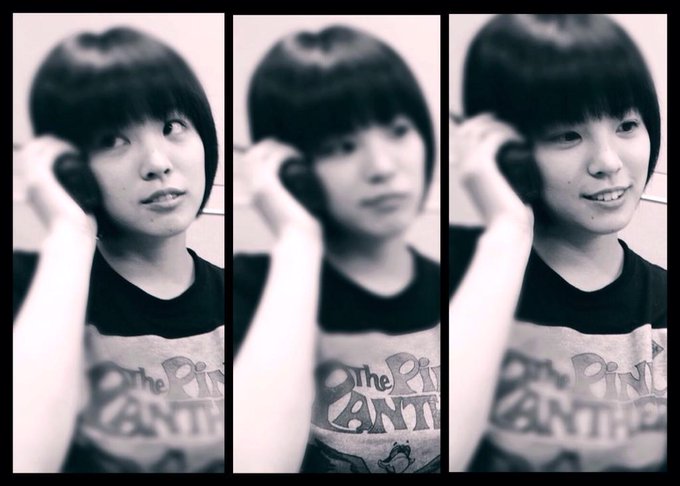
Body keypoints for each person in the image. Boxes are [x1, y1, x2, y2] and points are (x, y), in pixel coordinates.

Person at [448, 14, 666, 472]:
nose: (608, 162)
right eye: (568, 134)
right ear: (511, 153)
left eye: (627, 125)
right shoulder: (463, 280)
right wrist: (509, 231)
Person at [13, 27, 224, 473]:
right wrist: (70, 229)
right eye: (112, 140)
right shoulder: (32, 293)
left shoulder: (249, 296)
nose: (157, 163)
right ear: (72, 166)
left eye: (171, 127)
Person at [233, 24, 440, 473]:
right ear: (294, 170)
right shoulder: (248, 294)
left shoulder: (464, 285)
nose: (382, 167)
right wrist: (298, 239)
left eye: (399, 130)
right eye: (342, 146)